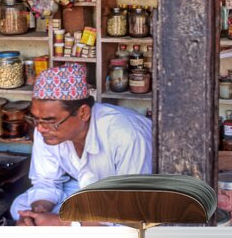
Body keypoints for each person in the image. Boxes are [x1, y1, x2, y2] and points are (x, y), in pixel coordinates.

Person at [10, 64, 153, 226]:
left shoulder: (127, 135)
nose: (40, 128)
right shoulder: (44, 128)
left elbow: (133, 211)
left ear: (83, 113)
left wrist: (61, 223)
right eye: (35, 118)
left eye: (50, 121)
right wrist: (37, 212)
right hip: (88, 190)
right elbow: (46, 181)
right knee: (19, 206)